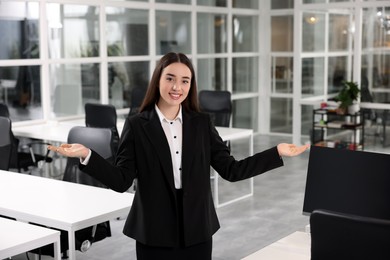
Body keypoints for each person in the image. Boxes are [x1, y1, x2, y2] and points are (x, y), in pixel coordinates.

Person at [48, 52, 309, 260]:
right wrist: (87, 155)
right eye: (170, 78)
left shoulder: (201, 123)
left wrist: (276, 152)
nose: (177, 87)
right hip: (154, 233)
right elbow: (121, 181)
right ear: (158, 81)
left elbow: (232, 170)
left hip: (197, 231)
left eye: (185, 80)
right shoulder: (138, 125)